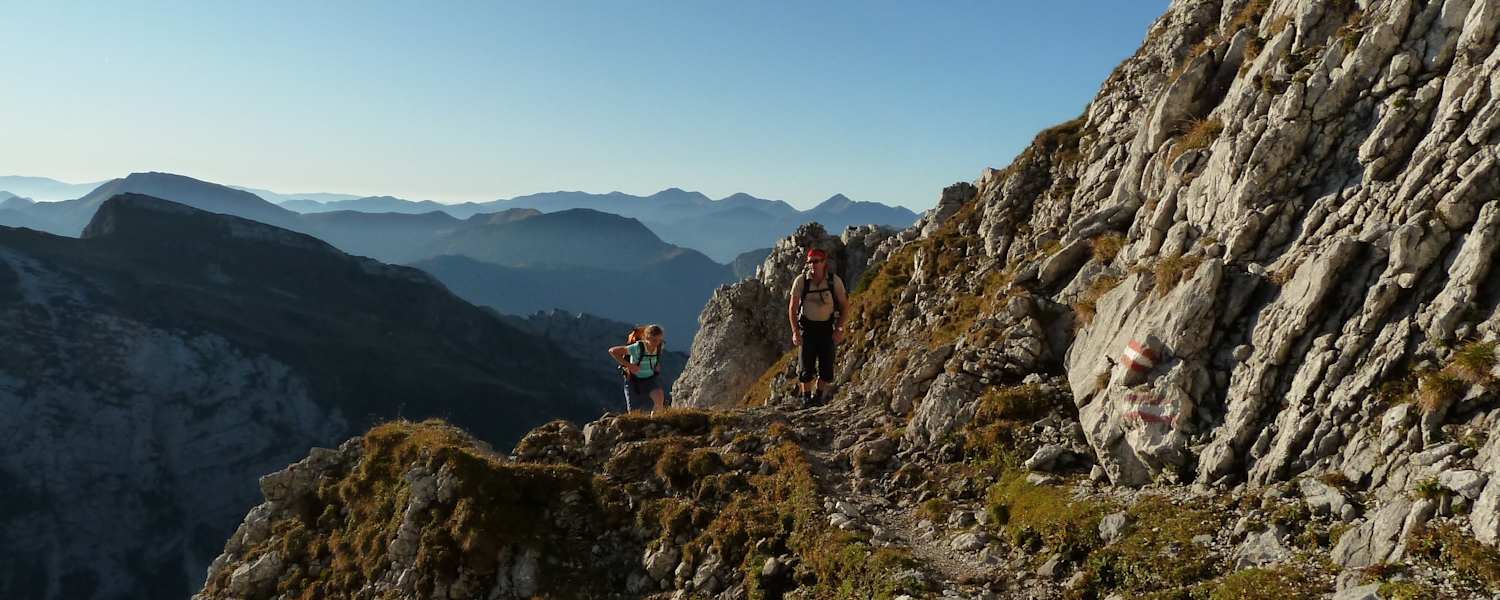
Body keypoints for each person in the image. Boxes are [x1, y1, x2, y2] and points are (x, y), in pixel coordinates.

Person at [788, 248, 847, 407]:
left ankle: (818, 396)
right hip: (807, 330)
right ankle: (806, 397)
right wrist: (795, 332)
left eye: (816, 261)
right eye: (810, 262)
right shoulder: (801, 281)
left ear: (824, 262)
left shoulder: (834, 281)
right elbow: (792, 308)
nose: (813, 265)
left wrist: (839, 328)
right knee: (806, 368)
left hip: (827, 329)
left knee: (827, 369)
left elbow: (844, 306)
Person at [609, 324, 667, 412]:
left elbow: (655, 358)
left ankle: (656, 421)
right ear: (647, 338)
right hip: (633, 381)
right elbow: (613, 351)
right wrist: (630, 365)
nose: (657, 343)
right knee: (633, 412)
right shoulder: (637, 348)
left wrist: (656, 365)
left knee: (659, 400)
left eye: (659, 340)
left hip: (650, 380)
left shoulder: (658, 347)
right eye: (654, 340)